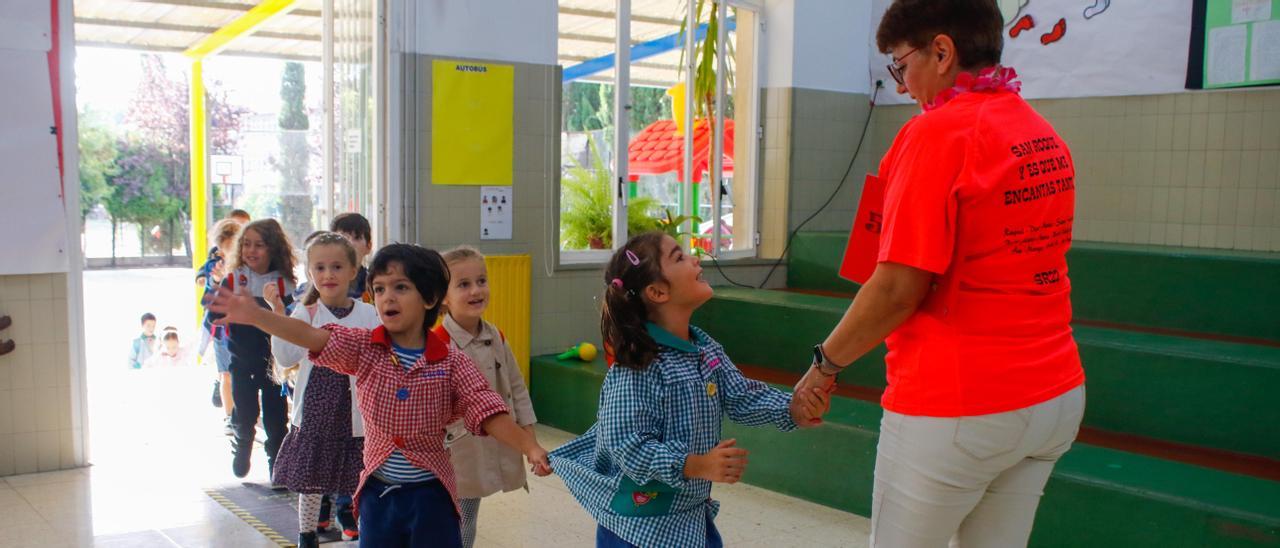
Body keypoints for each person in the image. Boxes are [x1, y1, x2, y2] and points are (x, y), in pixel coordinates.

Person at [793, 1, 1086, 546]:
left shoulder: (937, 135)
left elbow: (899, 290)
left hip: (959, 402)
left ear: (943, 51)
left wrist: (824, 365)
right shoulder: (1041, 132)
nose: (903, 86)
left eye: (902, 65)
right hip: (1053, 394)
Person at [208, 243, 552, 548]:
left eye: (401, 287)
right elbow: (311, 336)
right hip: (376, 494)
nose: (387, 296)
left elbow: (488, 410)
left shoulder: (450, 361)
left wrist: (530, 447)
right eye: (380, 288)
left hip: (431, 495)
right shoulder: (364, 347)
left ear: (430, 298)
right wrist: (257, 315)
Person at [549, 232, 830, 548]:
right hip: (637, 531)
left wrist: (792, 409)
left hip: (689, 518)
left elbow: (742, 396)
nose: (695, 258)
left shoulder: (705, 349)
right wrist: (697, 465)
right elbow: (627, 446)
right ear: (657, 291)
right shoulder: (637, 368)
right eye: (679, 257)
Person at [266, 233, 379, 548]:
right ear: (310, 273)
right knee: (312, 477)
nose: (329, 274)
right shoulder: (307, 314)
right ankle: (307, 534)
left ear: (353, 271)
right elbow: (286, 357)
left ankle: (360, 525)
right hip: (316, 407)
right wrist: (278, 315)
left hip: (357, 410)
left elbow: (381, 357)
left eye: (337, 266)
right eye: (320, 267)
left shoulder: (369, 314)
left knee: (359, 474)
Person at [435, 246, 538, 548]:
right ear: (443, 296)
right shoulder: (438, 345)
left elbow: (517, 390)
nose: (476, 290)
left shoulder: (497, 335)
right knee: (460, 515)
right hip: (455, 453)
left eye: (481, 280)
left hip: (490, 445)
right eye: (463, 284)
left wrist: (530, 441)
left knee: (468, 513)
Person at [210, 218, 298, 480]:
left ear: (273, 249)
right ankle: (243, 440)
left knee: (276, 416)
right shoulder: (234, 278)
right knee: (245, 410)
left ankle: (276, 464)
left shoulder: (283, 282)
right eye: (246, 244)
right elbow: (213, 314)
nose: (251, 251)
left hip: (273, 363)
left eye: (259, 245)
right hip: (242, 359)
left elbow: (291, 318)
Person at [198, 218, 243, 433]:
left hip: (243, 330)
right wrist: (216, 282)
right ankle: (229, 416)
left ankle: (241, 415)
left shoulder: (248, 267)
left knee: (241, 376)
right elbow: (207, 302)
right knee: (226, 374)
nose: (225, 254)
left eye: (230, 248)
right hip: (222, 332)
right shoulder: (214, 266)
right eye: (222, 249)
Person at [330, 212, 375, 304]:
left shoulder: (375, 284)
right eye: (343, 238)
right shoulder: (320, 283)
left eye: (357, 238)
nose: (350, 243)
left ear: (369, 246)